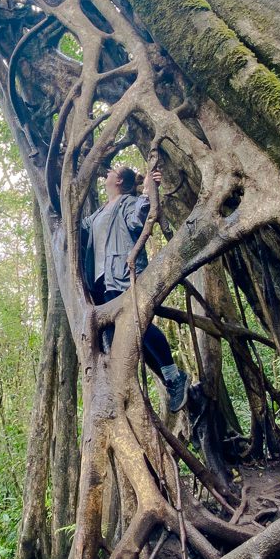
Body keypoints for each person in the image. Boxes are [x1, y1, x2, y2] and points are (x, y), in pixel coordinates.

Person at [81, 164, 190, 411]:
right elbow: (79, 227)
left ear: (119, 181)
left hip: (122, 274)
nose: (105, 173)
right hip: (100, 284)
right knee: (118, 339)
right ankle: (121, 392)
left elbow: (140, 217)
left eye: (111, 172)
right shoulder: (98, 213)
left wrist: (150, 190)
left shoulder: (129, 202)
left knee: (139, 324)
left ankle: (173, 376)